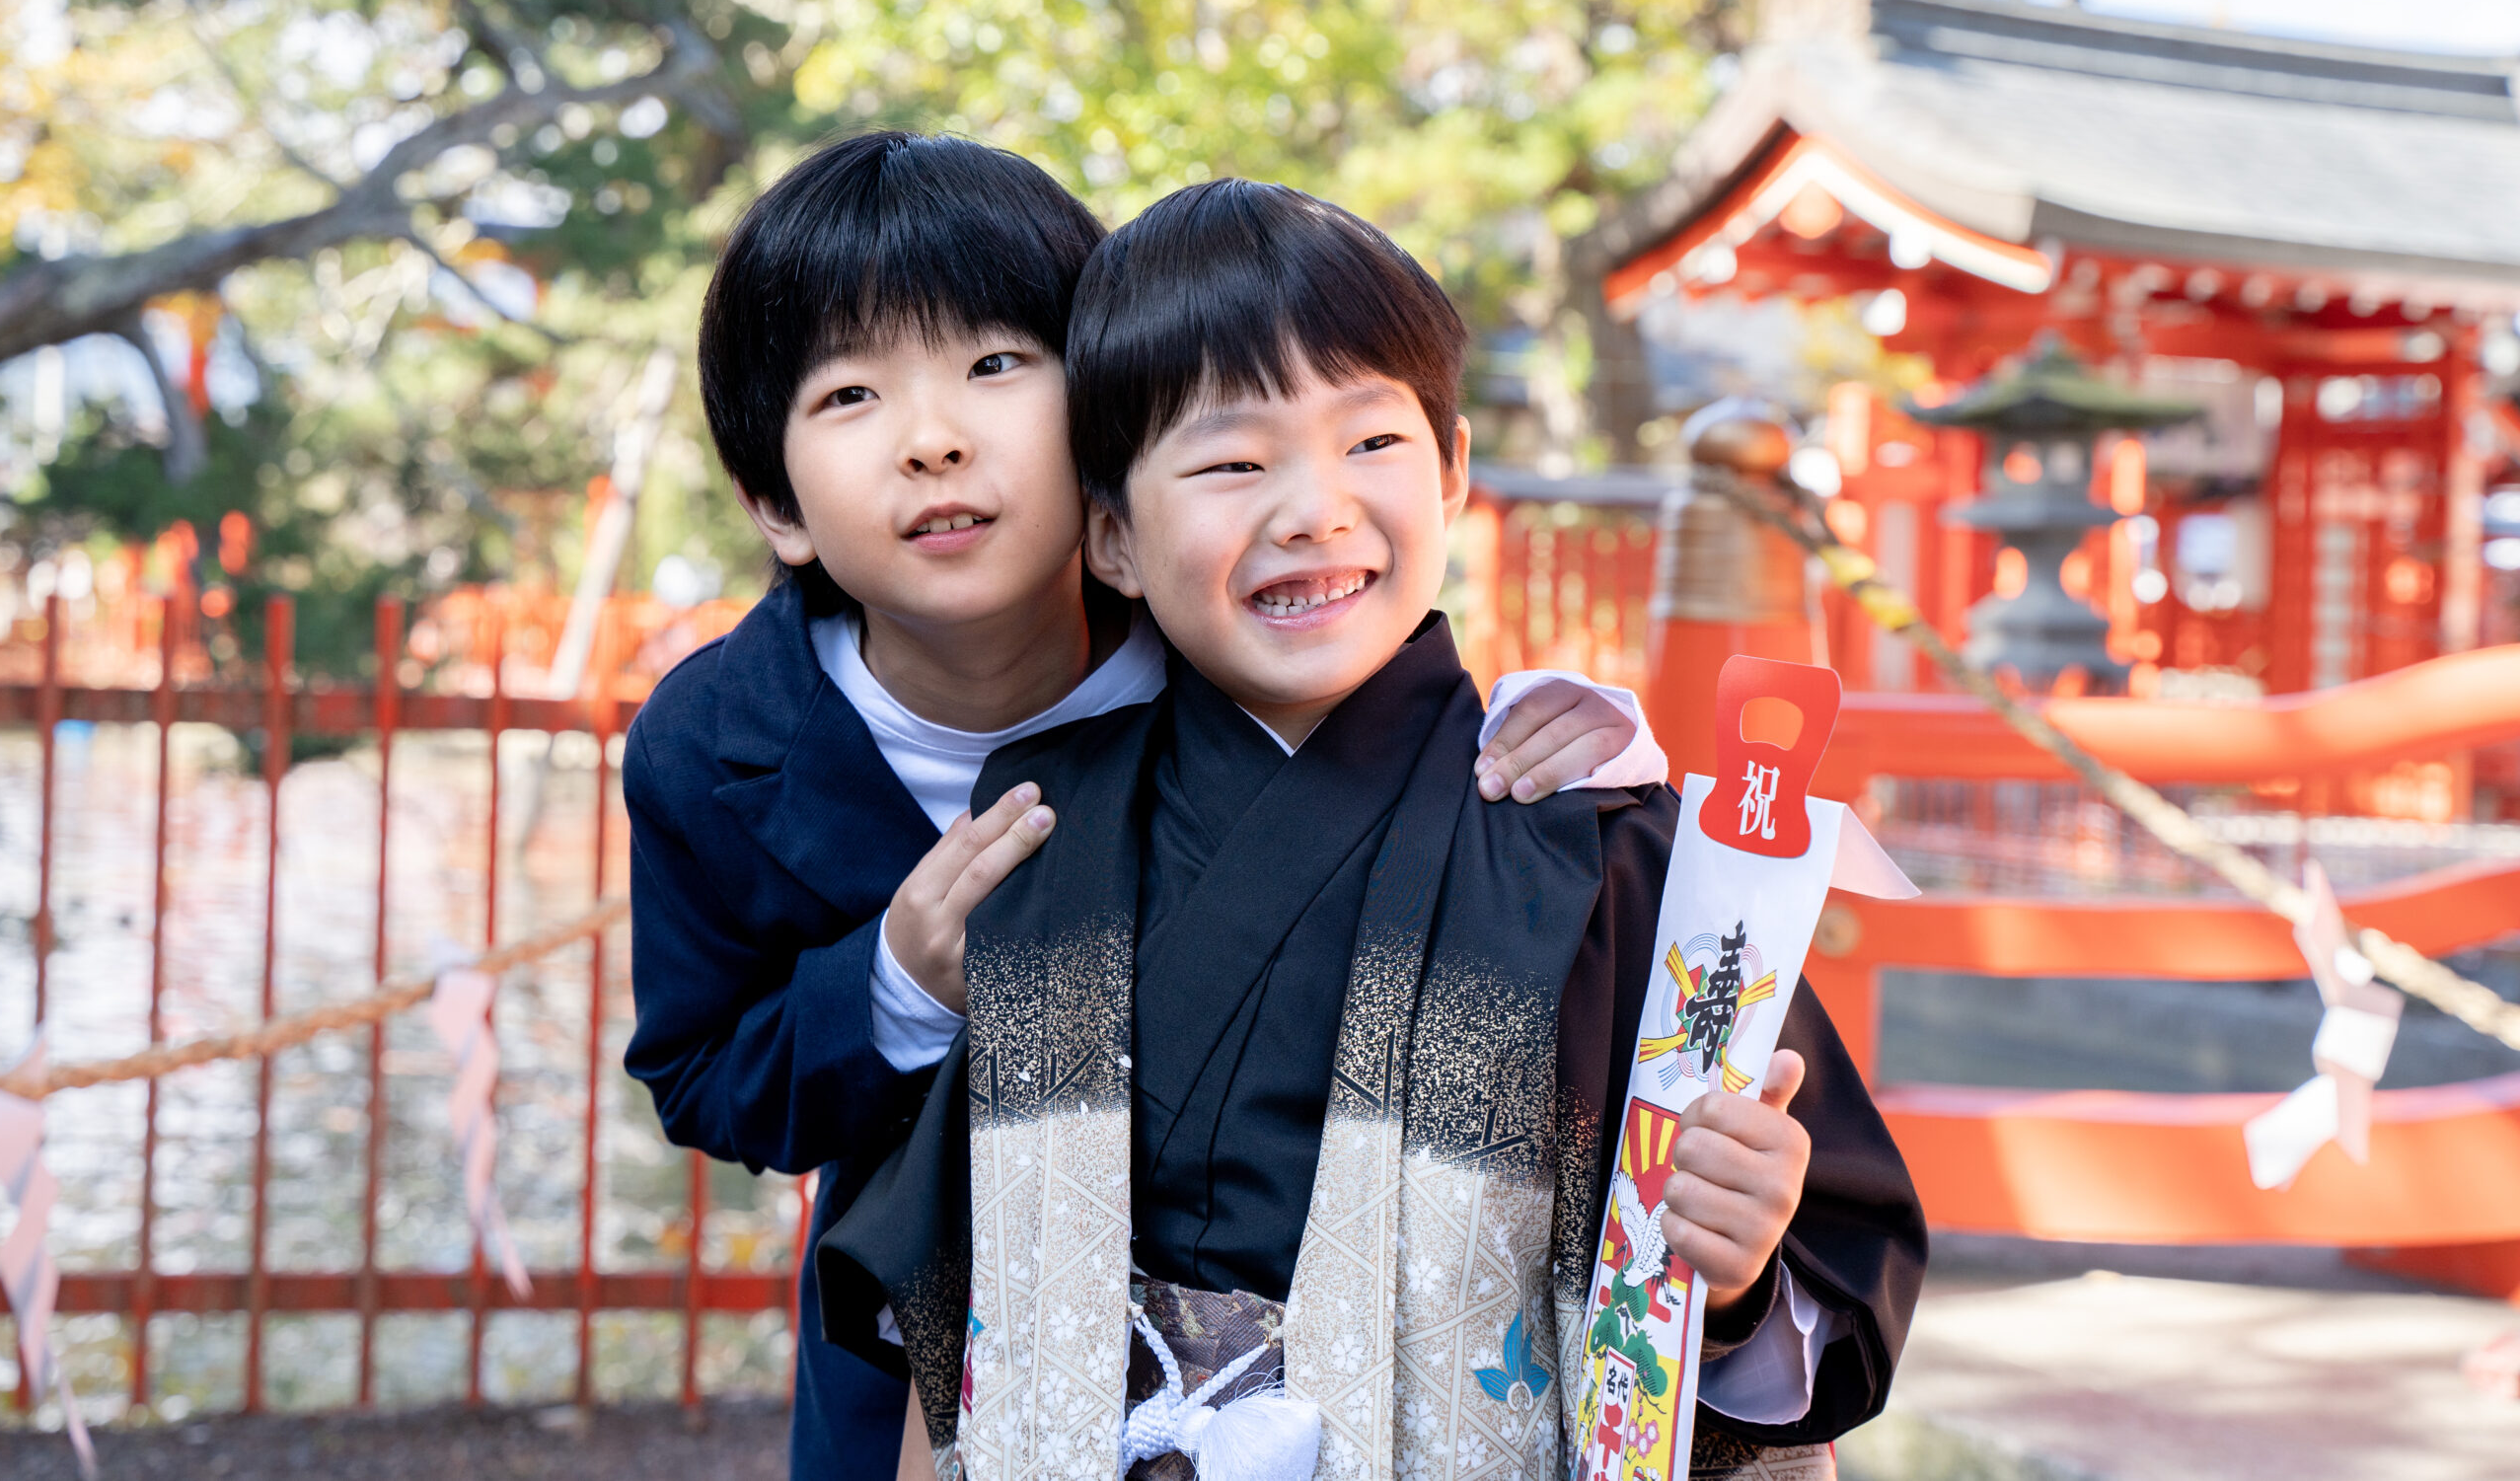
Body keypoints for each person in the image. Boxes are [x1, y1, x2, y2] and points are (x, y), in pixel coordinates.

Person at [825, 180, 1926, 1480]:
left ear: (1451, 473)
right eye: (1233, 462)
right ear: (1112, 535)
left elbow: (1779, 1287)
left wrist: (1732, 1265)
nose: (1315, 509)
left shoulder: (1596, 849)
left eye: (1371, 442)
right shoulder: (1043, 834)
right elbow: (965, 1313)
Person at [620, 133, 1668, 1478]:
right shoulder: (714, 746)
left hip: (1348, 1343)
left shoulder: (1219, 620)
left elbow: (1387, 689)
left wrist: (1566, 738)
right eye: (851, 395)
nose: (936, 439)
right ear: (776, 502)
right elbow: (703, 1077)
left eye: (997, 364)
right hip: (941, 1339)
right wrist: (900, 987)